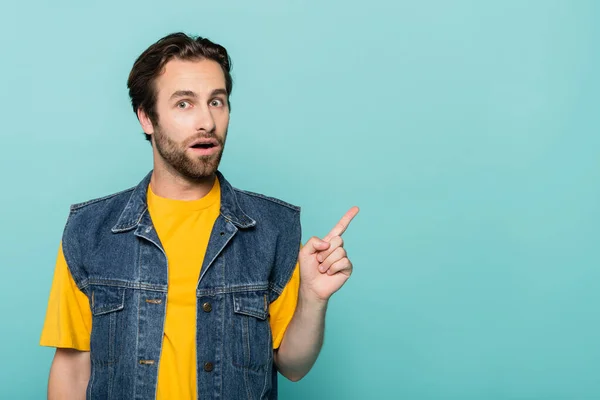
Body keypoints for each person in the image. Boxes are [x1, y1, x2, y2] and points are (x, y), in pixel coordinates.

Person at [40, 32, 358, 400]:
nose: (206, 121)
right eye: (184, 104)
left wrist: (314, 300)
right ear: (147, 117)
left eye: (217, 102)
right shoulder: (89, 231)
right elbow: (71, 370)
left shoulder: (274, 229)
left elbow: (293, 366)